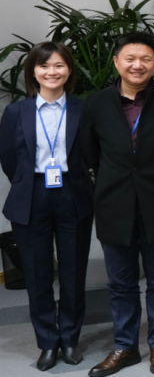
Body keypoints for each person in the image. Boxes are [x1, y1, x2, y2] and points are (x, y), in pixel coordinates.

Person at [82, 32, 154, 377]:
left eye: (145, 58)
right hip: (114, 205)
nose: (137, 65)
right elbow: (90, 154)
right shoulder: (96, 104)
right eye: (130, 58)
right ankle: (125, 346)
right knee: (120, 283)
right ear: (117, 62)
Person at [0, 42, 93, 371]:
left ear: (69, 70)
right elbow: (9, 159)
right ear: (33, 71)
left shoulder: (83, 109)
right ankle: (48, 342)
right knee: (37, 274)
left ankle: (69, 338)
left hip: (72, 193)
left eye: (59, 65)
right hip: (31, 196)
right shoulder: (16, 112)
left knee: (73, 272)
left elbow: (92, 153)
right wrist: (29, 182)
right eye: (44, 66)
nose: (52, 72)